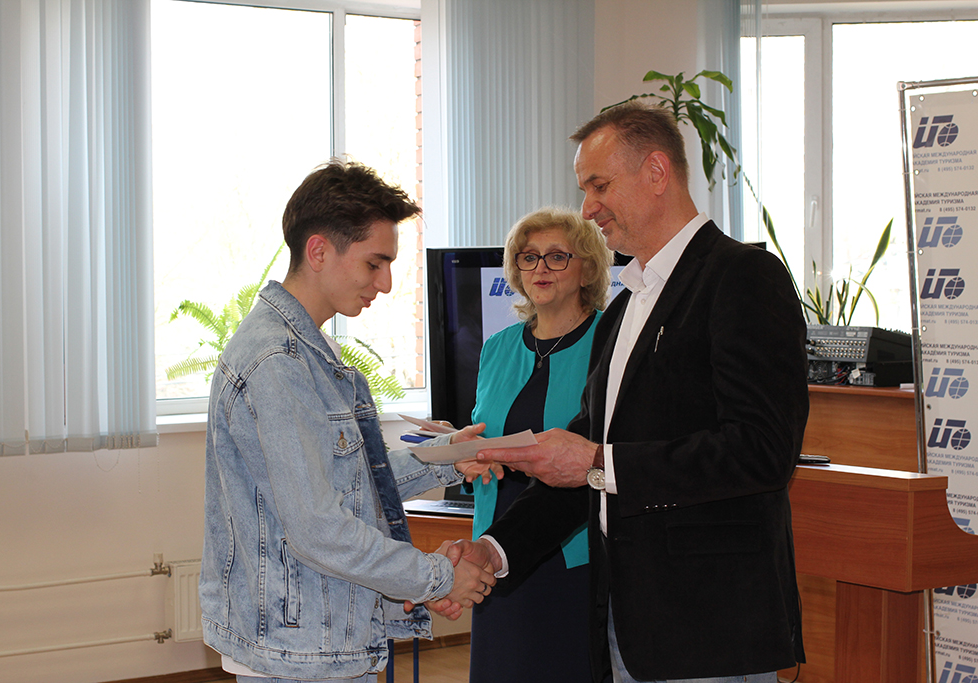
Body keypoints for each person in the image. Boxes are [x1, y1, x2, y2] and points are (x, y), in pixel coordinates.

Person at [437, 100, 810, 682]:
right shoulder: (623, 310)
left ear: (656, 172)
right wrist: (494, 549)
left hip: (707, 628)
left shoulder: (742, 277)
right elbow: (581, 464)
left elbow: (762, 451)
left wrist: (597, 462)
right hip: (623, 621)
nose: (589, 207)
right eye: (585, 189)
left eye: (600, 185)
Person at [199, 159, 498, 683]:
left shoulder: (307, 350)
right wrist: (437, 576)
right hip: (299, 654)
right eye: (374, 263)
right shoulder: (279, 362)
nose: (385, 283)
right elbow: (320, 529)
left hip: (318, 642)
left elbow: (350, 480)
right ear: (319, 251)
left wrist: (450, 459)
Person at [467, 207, 612, 683]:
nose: (540, 268)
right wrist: (460, 448)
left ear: (587, 268)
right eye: (528, 257)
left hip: (572, 545)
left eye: (556, 256)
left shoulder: (610, 342)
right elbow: (485, 431)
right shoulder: (497, 346)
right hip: (498, 539)